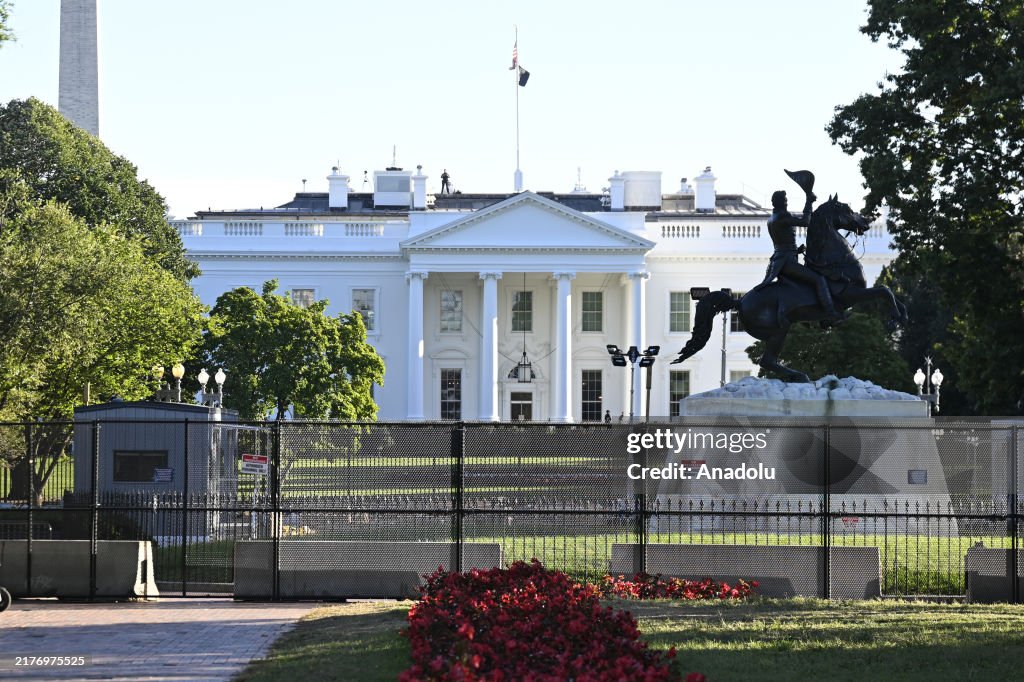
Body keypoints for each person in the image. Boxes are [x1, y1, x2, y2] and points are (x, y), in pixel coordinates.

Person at [754, 189, 844, 325]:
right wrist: (809, 201)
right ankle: (831, 314)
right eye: (785, 200)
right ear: (781, 203)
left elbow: (782, 243)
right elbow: (806, 221)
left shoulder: (772, 219)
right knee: (818, 279)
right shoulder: (782, 217)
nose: (787, 202)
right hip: (787, 262)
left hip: (781, 258)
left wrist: (796, 250)